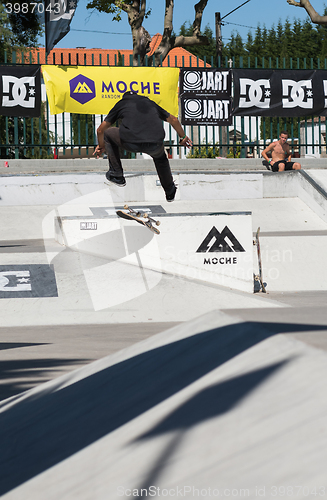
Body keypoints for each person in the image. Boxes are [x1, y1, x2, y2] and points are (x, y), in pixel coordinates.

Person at [93, 91, 192, 202]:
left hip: (130, 142)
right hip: (155, 143)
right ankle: (170, 192)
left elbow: (100, 129)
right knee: (161, 159)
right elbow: (173, 119)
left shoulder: (122, 103)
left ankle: (117, 174)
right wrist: (183, 137)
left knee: (108, 133)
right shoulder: (150, 103)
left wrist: (101, 146)